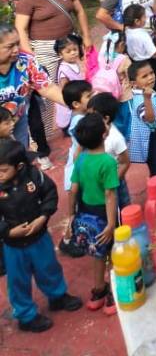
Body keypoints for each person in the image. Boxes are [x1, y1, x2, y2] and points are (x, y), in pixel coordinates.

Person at [0, 138, 82, 333]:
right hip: (13, 246)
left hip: (39, 237)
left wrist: (43, 217)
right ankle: (26, 316)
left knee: (49, 267)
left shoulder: (35, 176)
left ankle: (57, 296)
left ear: (19, 166)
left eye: (3, 170)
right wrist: (8, 231)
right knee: (18, 281)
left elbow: (50, 194)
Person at [15, 0, 92, 166]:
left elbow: (79, 11)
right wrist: (28, 54)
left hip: (69, 44)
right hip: (43, 48)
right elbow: (21, 28)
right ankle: (44, 137)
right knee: (46, 94)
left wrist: (86, 36)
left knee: (75, 81)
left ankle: (78, 121)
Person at [68, 112, 119, 314]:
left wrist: (71, 216)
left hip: (85, 211)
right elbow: (109, 194)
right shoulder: (108, 162)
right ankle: (113, 293)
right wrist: (111, 224)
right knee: (113, 253)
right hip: (104, 214)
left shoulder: (80, 160)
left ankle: (98, 290)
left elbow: (73, 190)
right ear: (104, 134)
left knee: (97, 252)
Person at [0, 25, 64, 152]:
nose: (16, 50)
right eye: (10, 46)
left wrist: (73, 103)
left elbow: (47, 88)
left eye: (17, 43)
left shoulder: (26, 61)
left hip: (17, 118)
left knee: (19, 153)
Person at [127, 59, 156, 183]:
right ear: (134, 83)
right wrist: (147, 99)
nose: (150, 77)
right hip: (152, 139)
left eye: (151, 73)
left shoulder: (146, 92)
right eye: (144, 76)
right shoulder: (140, 99)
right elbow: (150, 119)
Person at [87, 93, 131, 212]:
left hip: (114, 180)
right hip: (99, 181)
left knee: (122, 206)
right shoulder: (94, 130)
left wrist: (112, 183)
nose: (88, 119)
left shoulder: (116, 138)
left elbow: (125, 162)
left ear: (106, 118)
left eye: (92, 116)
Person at [54, 36, 84, 134]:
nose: (73, 53)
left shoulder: (75, 63)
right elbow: (65, 91)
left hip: (78, 102)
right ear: (60, 54)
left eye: (75, 49)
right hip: (70, 108)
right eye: (68, 51)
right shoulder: (64, 70)